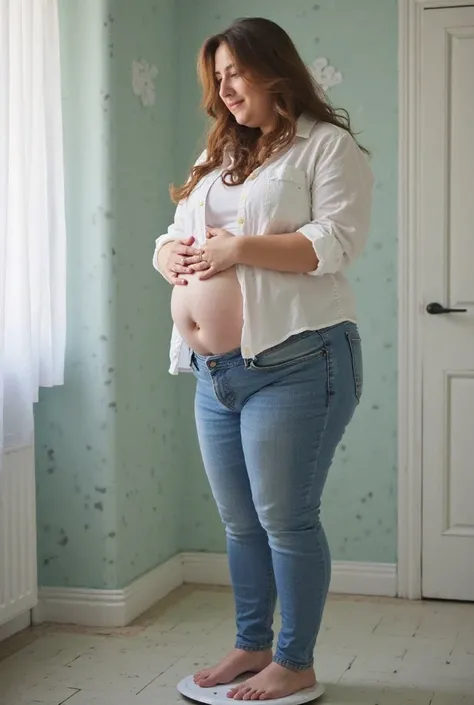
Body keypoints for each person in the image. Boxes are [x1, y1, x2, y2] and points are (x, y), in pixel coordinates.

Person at [153, 16, 373, 702]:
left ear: (271, 68)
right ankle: (251, 645)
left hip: (301, 362)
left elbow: (331, 244)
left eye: (234, 73)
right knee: (241, 521)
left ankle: (294, 659)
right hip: (215, 372)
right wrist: (169, 256)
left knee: (286, 518)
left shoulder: (327, 148)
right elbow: (173, 233)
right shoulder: (220, 152)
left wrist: (237, 250)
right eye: (216, 79)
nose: (224, 89)